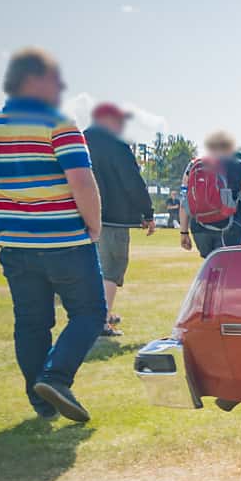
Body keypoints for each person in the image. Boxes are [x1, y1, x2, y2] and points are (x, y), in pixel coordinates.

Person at [0, 48, 105, 422]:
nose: (61, 87)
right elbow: (81, 181)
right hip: (65, 240)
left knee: (31, 323)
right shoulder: (58, 124)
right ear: (34, 80)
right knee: (90, 313)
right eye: (54, 79)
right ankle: (56, 378)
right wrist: (94, 225)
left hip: (15, 244)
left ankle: (42, 404)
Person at [84, 101, 154, 335]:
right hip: (112, 218)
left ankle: (97, 315)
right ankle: (101, 322)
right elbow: (132, 183)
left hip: (79, 216)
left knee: (90, 270)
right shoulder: (116, 146)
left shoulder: (78, 141)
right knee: (111, 270)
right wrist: (147, 212)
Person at [179, 130, 241, 257]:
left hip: (200, 227)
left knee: (211, 265)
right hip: (232, 226)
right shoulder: (240, 166)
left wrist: (184, 232)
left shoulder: (193, 166)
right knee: (229, 265)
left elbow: (184, 200)